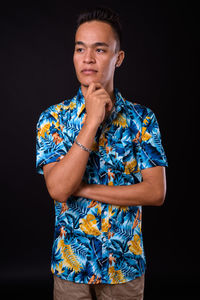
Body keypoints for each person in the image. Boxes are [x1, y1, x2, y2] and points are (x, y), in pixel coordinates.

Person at [36, 6, 168, 300]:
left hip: (125, 268)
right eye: (80, 48)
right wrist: (92, 121)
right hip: (71, 268)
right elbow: (58, 189)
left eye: (100, 50)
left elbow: (155, 192)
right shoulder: (52, 119)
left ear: (118, 58)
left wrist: (84, 189)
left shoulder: (141, 119)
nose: (88, 59)